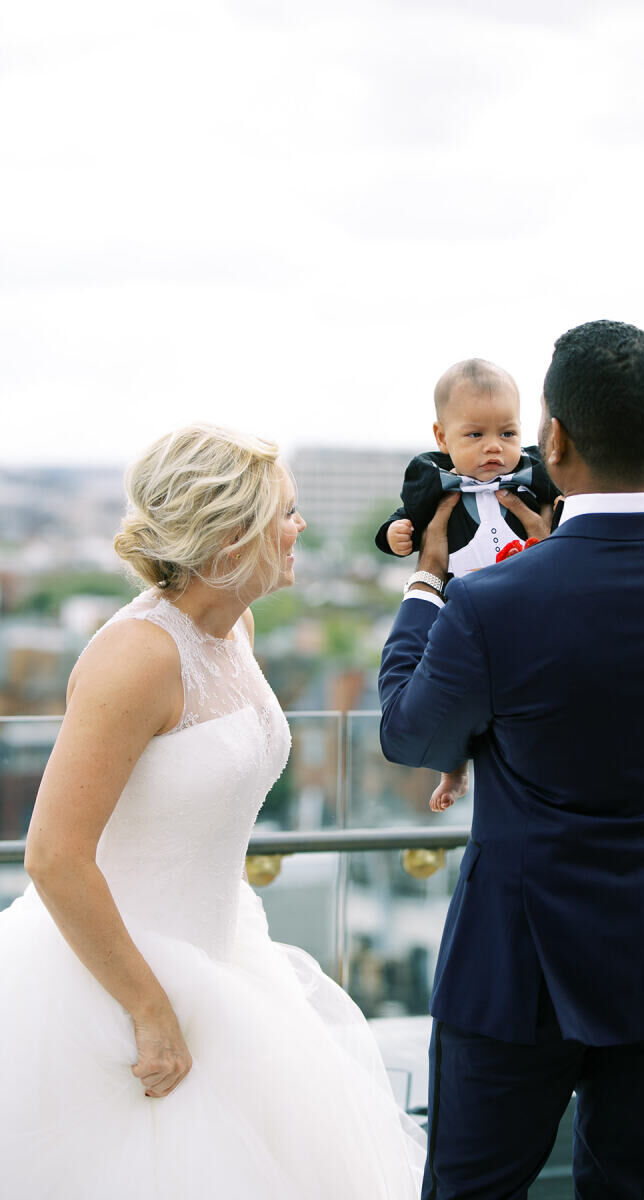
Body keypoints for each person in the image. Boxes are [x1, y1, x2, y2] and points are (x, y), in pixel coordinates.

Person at [378, 321, 644, 1199]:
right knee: (636, 1185)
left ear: (552, 439)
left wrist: (425, 584)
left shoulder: (491, 603)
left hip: (519, 964)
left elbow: (409, 734)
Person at [0, 423, 424, 1199]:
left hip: (226, 952)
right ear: (231, 534)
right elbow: (54, 854)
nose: (301, 529)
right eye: (286, 513)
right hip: (114, 984)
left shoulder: (235, 628)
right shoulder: (135, 656)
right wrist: (149, 1009)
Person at [376, 358, 559, 810]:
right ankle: (454, 768)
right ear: (442, 437)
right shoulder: (433, 484)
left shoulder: (534, 481)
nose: (493, 447)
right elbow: (408, 521)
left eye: (508, 434)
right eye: (475, 435)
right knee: (454, 688)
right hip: (461, 610)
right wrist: (395, 535)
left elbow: (561, 514)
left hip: (523, 607)